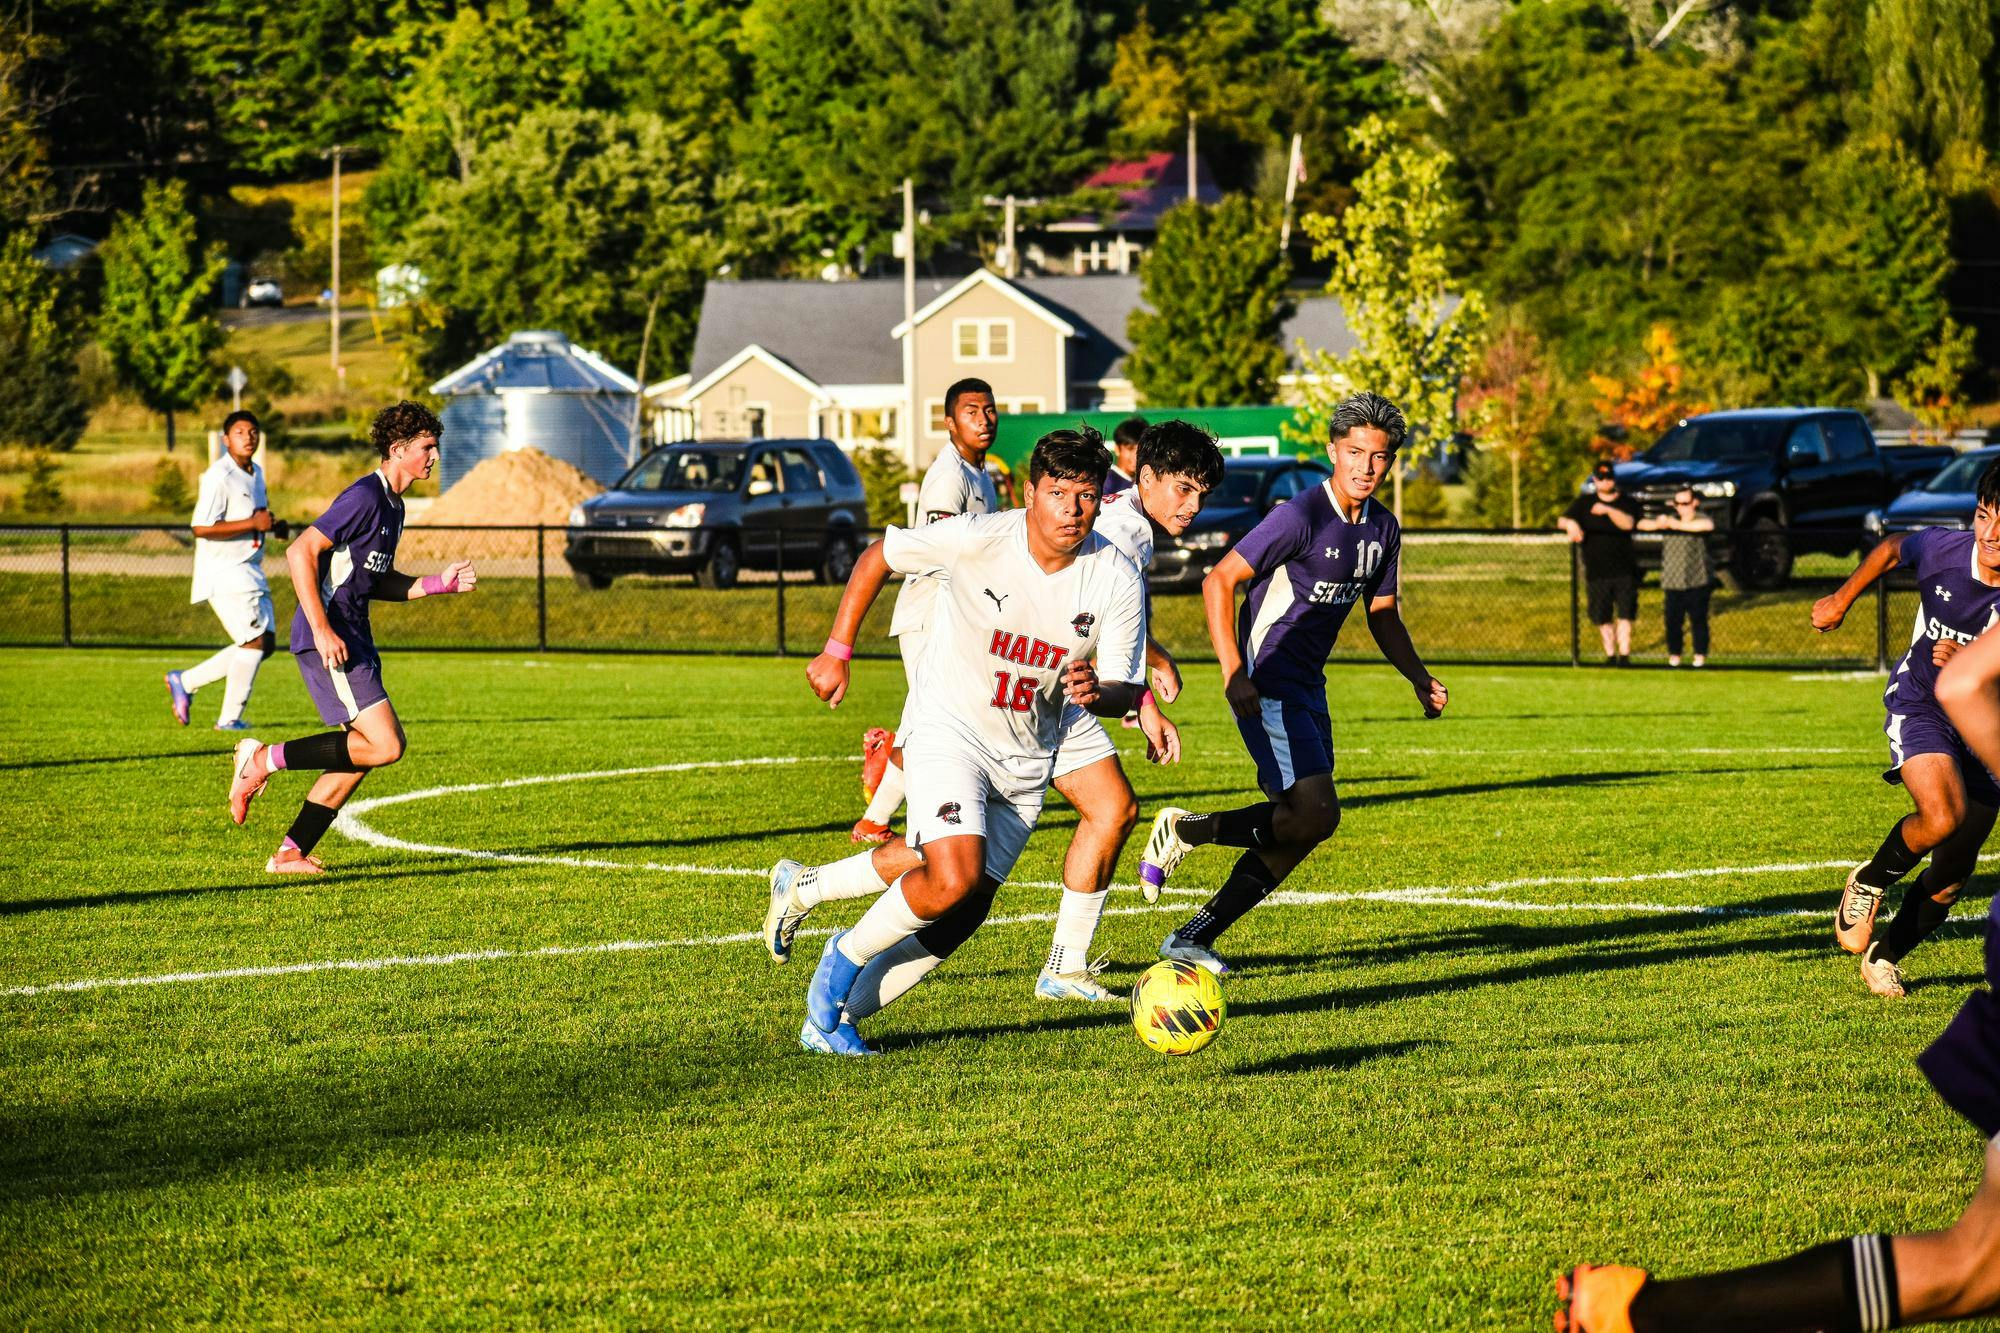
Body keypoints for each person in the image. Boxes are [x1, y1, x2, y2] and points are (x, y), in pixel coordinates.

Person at [1556, 615, 2000, 1333]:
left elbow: (1971, 678)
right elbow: (1963, 676)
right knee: (1979, 1264)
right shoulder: (1939, 551)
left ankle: (1635, 1309)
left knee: (1976, 1267)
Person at [765, 421, 1224, 1003]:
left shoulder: (1117, 560)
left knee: (962, 893)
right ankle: (856, 956)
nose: (1074, 510)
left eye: (1085, 496)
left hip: (1039, 719)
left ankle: (821, 943)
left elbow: (1115, 660)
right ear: (1031, 494)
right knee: (979, 860)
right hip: (966, 710)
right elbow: (884, 554)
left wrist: (1115, 693)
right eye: (1184, 488)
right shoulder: (1012, 534)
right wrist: (837, 650)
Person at [1137, 392, 1448, 975]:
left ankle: (1192, 931)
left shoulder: (1383, 527)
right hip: (1267, 681)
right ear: (1333, 451)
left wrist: (1417, 676)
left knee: (1301, 825)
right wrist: (1234, 674)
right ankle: (1189, 833)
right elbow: (1218, 581)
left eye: (1378, 457)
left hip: (1309, 686)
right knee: (1315, 812)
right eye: (1354, 451)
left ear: (1391, 462)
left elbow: (1382, 613)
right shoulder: (1301, 514)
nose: (1365, 466)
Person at [223, 401, 478, 873]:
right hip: (332, 636)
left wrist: (439, 583)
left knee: (359, 755)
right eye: (427, 447)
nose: (434, 456)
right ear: (398, 449)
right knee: (386, 745)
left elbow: (377, 579)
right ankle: (260, 759)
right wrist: (321, 629)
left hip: (355, 636)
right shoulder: (365, 496)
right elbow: (302, 550)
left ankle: (289, 853)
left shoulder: (394, 507)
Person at [1811, 465, 2000, 997]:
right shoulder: (1943, 551)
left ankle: (1885, 955)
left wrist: (1976, 664)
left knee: (1953, 875)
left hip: (1988, 730)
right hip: (1924, 706)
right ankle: (1870, 881)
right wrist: (1841, 600)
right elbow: (1893, 548)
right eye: (1985, 517)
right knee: (1943, 816)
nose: (1990, 536)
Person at [852, 378, 1001, 846]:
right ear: (949, 423)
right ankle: (905, 818)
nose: (983, 419)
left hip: (954, 618)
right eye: (971, 411)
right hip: (930, 614)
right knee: (934, 721)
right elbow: (943, 550)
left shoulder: (981, 474)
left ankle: (877, 816)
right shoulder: (949, 476)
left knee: (929, 718)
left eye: (989, 410)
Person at [165, 411, 280, 731]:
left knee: (263, 644)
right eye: (240, 432)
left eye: (253, 431)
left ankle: (185, 681)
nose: (248, 436)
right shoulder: (220, 475)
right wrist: (253, 524)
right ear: (226, 440)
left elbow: (254, 517)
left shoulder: (255, 472)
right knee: (254, 641)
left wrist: (270, 526)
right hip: (226, 569)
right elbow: (201, 527)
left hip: (249, 567)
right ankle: (229, 718)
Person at [1558, 462, 1641, 666]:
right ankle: (1610, 654)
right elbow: (1562, 519)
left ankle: (1624, 655)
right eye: (1601, 478)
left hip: (1624, 568)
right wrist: (1571, 523)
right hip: (1596, 569)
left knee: (1625, 613)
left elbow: (1628, 523)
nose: (1605, 481)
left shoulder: (1626, 502)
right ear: (1595, 479)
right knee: (1602, 614)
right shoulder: (1584, 503)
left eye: (1609, 477)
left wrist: (1607, 510)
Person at [1637, 487, 1715, 667]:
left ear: (1694, 503)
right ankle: (1674, 656)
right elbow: (1641, 524)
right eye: (1677, 503)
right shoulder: (1670, 519)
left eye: (1685, 503)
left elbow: (1707, 526)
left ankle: (1700, 656)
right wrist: (1659, 523)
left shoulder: (1700, 519)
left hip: (1697, 580)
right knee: (1673, 621)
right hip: (1673, 581)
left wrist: (1676, 525)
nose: (1681, 507)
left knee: (1698, 619)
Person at [1103, 415, 1147, 496]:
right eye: (1130, 449)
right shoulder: (1105, 482)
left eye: (1141, 449)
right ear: (1117, 449)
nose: (1136, 455)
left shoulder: (1145, 483)